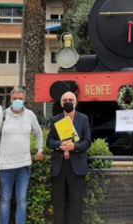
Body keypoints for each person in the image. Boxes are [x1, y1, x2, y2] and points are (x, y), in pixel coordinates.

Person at [0, 87, 44, 224]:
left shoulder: (30, 115)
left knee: (22, 200)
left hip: (24, 166)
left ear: (25, 99)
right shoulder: (3, 116)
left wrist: (40, 150)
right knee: (5, 200)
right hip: (5, 167)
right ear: (10, 99)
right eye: (15, 98)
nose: (17, 101)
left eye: (20, 99)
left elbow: (39, 133)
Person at [47, 91, 92, 224]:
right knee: (58, 203)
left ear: (76, 102)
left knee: (76, 203)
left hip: (76, 167)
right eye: (65, 100)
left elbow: (87, 141)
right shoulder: (55, 119)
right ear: (61, 104)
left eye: (71, 100)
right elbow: (49, 141)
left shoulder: (83, 119)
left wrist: (74, 147)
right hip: (59, 167)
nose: (68, 102)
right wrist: (61, 145)